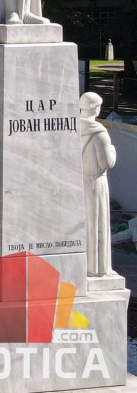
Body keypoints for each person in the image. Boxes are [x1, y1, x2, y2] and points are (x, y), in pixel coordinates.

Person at [81, 92, 118, 277]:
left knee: (84, 224)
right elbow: (106, 163)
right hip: (95, 182)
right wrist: (113, 150)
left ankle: (83, 266)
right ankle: (97, 268)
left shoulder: (72, 127)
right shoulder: (99, 132)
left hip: (78, 181)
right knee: (96, 224)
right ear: (96, 108)